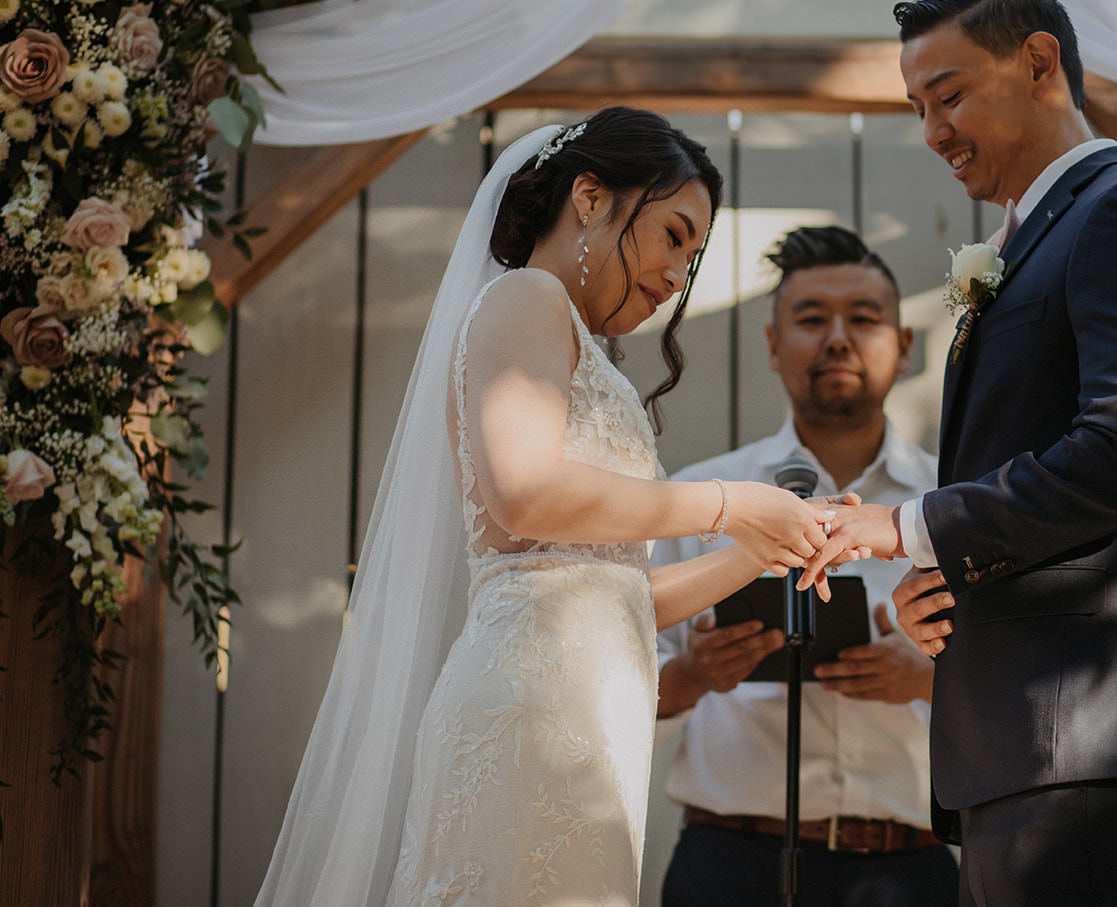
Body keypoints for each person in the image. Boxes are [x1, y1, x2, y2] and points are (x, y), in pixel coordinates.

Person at [256, 107, 849, 907]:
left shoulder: (570, 335)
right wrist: (728, 503)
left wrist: (761, 543)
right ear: (592, 196)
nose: (680, 273)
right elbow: (525, 492)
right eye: (674, 234)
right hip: (528, 716)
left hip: (588, 718)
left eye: (693, 253)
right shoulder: (526, 298)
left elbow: (608, 589)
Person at [802, 0, 1117, 905]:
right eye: (919, 106)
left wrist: (907, 527)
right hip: (1019, 750)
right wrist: (948, 584)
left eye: (950, 95)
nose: (933, 133)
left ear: (1040, 62)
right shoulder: (1030, 242)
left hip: (1087, 739)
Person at [654, 226, 958, 907]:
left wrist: (927, 679)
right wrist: (699, 673)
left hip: (907, 870)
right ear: (772, 345)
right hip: (729, 865)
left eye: (865, 317)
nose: (839, 337)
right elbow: (623, 684)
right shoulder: (701, 497)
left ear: (904, 347)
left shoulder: (956, 504)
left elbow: (1024, 686)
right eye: (812, 318)